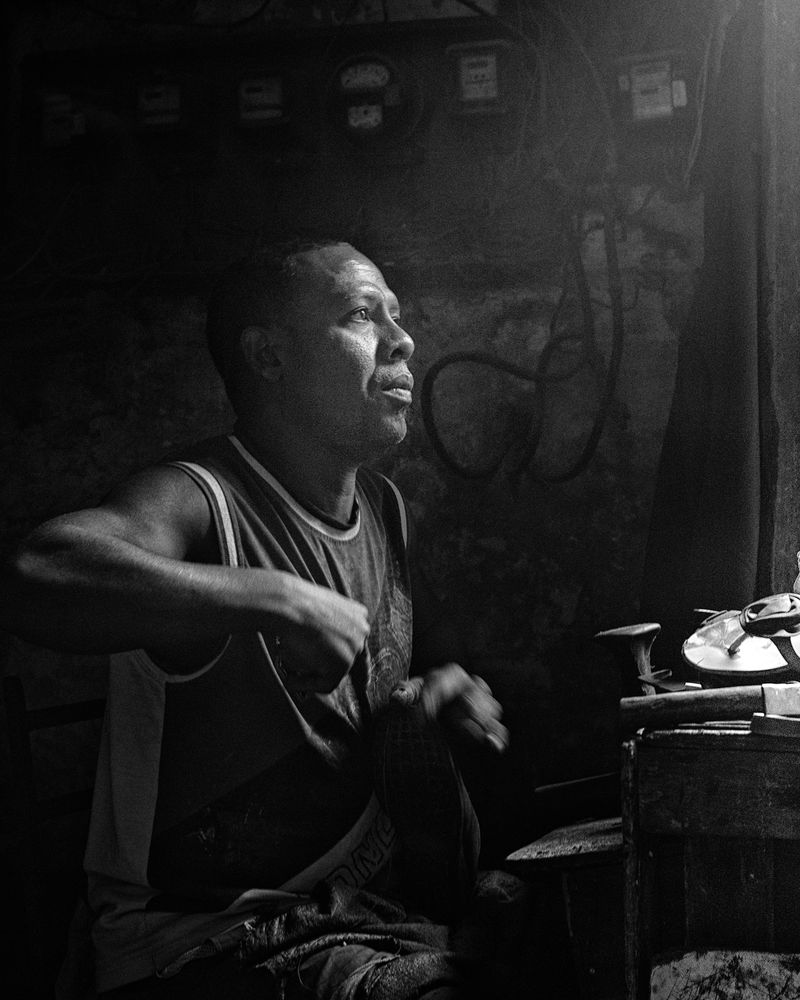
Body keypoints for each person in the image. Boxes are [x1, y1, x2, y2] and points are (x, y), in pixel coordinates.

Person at [1, 240, 528, 1000]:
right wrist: (275, 596)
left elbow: (373, 696)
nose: (402, 339)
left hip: (359, 915)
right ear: (269, 358)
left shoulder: (382, 510)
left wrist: (440, 700)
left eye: (397, 317)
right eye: (360, 314)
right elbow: (34, 573)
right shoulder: (198, 500)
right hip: (201, 946)